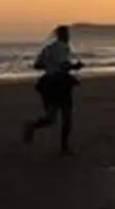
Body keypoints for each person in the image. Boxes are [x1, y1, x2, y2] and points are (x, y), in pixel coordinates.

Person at [24, 25, 84, 156]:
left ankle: (32, 126)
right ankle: (64, 148)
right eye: (67, 34)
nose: (68, 37)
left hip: (47, 84)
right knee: (66, 115)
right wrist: (76, 66)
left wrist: (50, 65)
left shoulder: (47, 48)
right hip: (60, 83)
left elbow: (37, 65)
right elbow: (64, 65)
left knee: (51, 117)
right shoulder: (63, 47)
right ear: (63, 35)